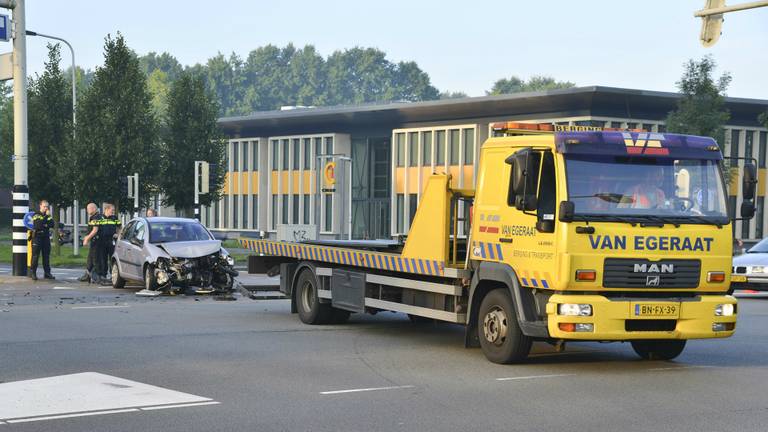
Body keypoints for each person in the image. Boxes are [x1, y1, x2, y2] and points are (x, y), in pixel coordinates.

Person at [29, 200, 55, 281]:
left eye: (47, 206)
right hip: (37, 237)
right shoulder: (36, 214)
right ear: (40, 206)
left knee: (46, 256)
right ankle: (33, 273)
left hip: (46, 238)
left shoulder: (48, 215)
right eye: (44, 206)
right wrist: (46, 219)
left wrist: (45, 222)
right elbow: (38, 225)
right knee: (35, 256)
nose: (46, 208)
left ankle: (47, 273)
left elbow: (52, 224)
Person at [96, 203, 122, 285]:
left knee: (112, 259)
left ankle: (113, 275)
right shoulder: (99, 218)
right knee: (103, 258)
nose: (113, 212)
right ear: (106, 209)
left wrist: (118, 234)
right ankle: (103, 276)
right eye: (112, 210)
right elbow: (95, 228)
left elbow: (120, 227)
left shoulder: (114, 218)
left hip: (111, 241)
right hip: (102, 241)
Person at [79, 203, 103, 283]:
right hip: (95, 240)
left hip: (97, 241)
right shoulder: (94, 217)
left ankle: (98, 276)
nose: (87, 211)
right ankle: (87, 275)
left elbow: (95, 230)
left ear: (93, 209)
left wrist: (87, 239)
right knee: (90, 258)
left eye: (88, 209)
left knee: (95, 259)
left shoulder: (96, 217)